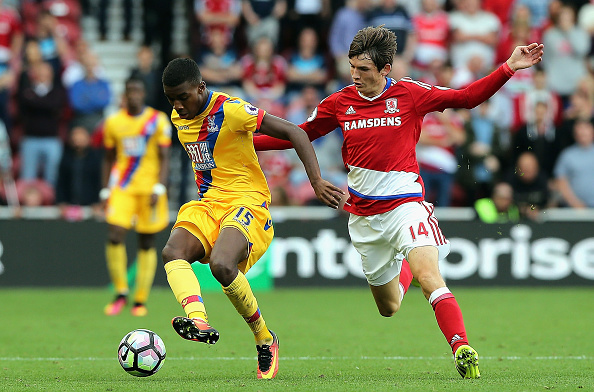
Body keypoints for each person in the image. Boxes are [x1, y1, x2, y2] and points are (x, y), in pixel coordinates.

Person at [253, 25, 544, 379]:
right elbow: (297, 136)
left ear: (385, 69)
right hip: (362, 216)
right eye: (352, 67)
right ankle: (403, 268)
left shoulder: (410, 94)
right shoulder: (340, 102)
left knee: (430, 276)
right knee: (389, 307)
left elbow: (466, 97)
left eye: (364, 70)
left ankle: (461, 346)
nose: (355, 76)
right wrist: (244, 142)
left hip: (406, 206)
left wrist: (508, 67)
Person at [160, 57, 343, 379]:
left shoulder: (230, 110)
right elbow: (225, 147)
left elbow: (293, 132)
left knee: (222, 265)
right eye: (171, 98)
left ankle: (264, 338)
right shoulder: (178, 116)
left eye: (183, 97)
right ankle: (198, 319)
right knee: (172, 252)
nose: (177, 105)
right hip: (209, 202)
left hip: (247, 201)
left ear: (201, 88)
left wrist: (315, 181)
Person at [100, 76, 172, 317]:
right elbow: (108, 157)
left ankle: (140, 299)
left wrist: (160, 187)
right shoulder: (113, 122)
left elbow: (165, 158)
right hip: (123, 187)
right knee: (115, 234)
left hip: (150, 188)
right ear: (125, 95)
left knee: (146, 241)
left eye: (137, 91)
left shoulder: (157, 121)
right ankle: (121, 292)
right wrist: (105, 189)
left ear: (144, 94)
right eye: (129, 91)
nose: (133, 95)